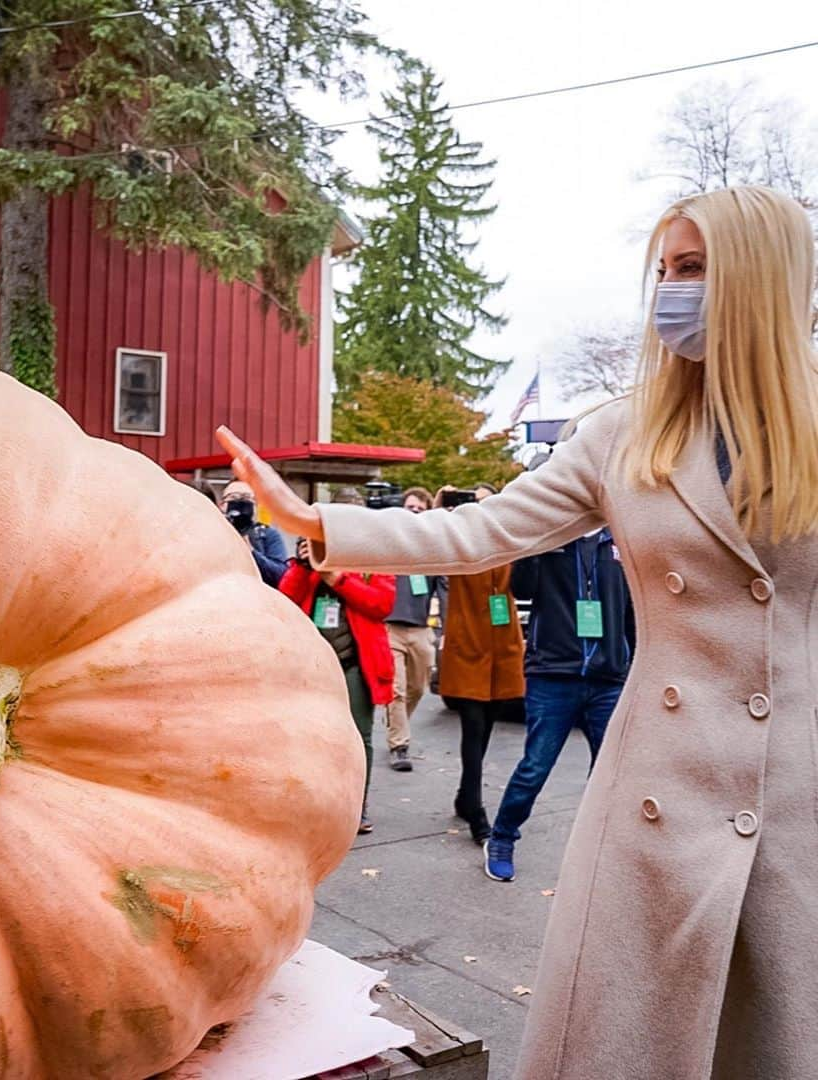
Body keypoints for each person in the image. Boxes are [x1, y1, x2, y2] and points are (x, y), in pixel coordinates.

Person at [217, 186, 818, 1080]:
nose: (669, 294)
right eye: (663, 271)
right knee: (638, 1039)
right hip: (661, 791)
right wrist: (311, 520)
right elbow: (478, 532)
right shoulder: (624, 433)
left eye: (692, 270)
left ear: (763, 279)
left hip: (797, 794)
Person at [484, 526, 634, 882]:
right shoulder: (552, 535)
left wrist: (630, 659)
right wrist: (537, 538)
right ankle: (502, 838)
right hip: (553, 672)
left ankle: (602, 849)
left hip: (608, 676)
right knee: (536, 765)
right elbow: (521, 588)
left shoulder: (620, 537)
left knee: (610, 772)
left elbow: (632, 606)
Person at [279, 539, 395, 835]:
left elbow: (381, 604)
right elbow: (283, 602)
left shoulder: (369, 562)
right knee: (309, 738)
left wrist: (337, 578)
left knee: (358, 736)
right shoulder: (308, 566)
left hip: (355, 664)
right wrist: (304, 566)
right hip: (312, 667)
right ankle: (316, 803)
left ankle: (357, 804)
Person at [435, 483, 525, 843]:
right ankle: (475, 807)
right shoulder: (459, 544)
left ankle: (463, 794)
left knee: (488, 723)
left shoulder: (510, 542)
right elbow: (431, 541)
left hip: (502, 646)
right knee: (473, 724)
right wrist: (442, 507)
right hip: (468, 644)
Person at [382, 486, 447, 772]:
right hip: (389, 628)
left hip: (421, 629)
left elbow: (444, 590)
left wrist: (446, 629)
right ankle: (399, 744)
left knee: (418, 688)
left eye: (421, 510)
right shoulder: (388, 544)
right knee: (396, 689)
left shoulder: (432, 552)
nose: (415, 513)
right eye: (411, 508)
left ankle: (396, 723)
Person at [219, 480, 288, 587]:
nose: (240, 503)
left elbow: (280, 576)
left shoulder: (268, 534)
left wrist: (251, 551)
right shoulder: (214, 530)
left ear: (255, 506)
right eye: (233, 497)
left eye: (246, 498)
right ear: (222, 505)